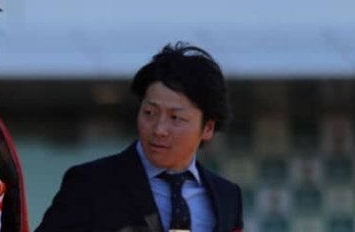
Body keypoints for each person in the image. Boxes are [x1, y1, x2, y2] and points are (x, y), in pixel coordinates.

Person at [36, 42, 243, 232]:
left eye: (175, 118)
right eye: (149, 113)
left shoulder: (227, 196)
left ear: (208, 128)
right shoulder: (91, 183)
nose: (159, 129)